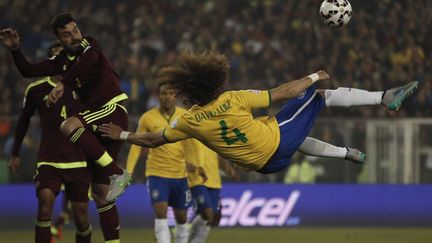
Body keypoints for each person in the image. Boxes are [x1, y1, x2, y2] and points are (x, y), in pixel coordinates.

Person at [99, 51, 419, 176]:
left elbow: (154, 140)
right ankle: (384, 97)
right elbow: (285, 92)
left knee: (295, 133)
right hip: (275, 144)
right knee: (319, 96)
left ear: (189, 92)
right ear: (214, 80)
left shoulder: (190, 121)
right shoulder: (234, 98)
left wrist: (124, 135)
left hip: (263, 164)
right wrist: (312, 76)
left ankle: (346, 153)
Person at [1, 13, 129, 243]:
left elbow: (89, 62)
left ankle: (118, 173)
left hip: (110, 107)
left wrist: (64, 83)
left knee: (69, 125)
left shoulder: (90, 44)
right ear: (59, 39)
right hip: (92, 121)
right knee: (101, 194)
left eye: (75, 30)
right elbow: (28, 71)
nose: (74, 36)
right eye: (67, 34)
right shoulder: (60, 62)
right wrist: (15, 49)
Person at [8, 42, 91, 243]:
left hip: (77, 160)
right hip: (49, 159)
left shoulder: (81, 87)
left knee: (80, 218)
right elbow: (23, 120)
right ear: (49, 62)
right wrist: (15, 152)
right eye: (55, 57)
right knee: (45, 206)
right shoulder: (36, 89)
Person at [125, 81, 206, 243]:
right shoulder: (147, 118)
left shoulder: (185, 116)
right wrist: (128, 171)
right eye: (164, 93)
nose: (167, 97)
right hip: (157, 173)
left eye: (171, 93)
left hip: (180, 175)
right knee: (160, 212)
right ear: (157, 96)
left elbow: (193, 144)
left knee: (182, 217)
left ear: (175, 96)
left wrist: (199, 165)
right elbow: (136, 144)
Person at [187, 143, 236, 243]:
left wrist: (226, 167)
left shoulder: (210, 134)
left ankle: (190, 239)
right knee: (207, 213)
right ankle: (188, 239)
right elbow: (178, 150)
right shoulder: (189, 132)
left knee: (210, 217)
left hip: (214, 181)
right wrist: (184, 163)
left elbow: (217, 155)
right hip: (197, 179)